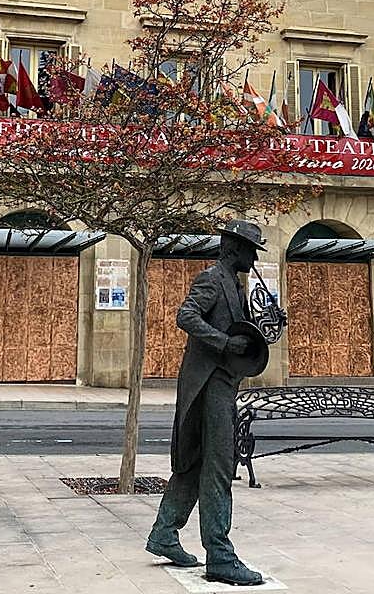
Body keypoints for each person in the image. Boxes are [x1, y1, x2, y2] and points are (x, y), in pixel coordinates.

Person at [146, 219, 267, 587]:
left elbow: (241, 331)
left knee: (196, 462)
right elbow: (186, 316)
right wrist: (222, 342)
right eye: (249, 250)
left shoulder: (236, 283)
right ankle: (220, 555)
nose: (253, 257)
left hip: (224, 382)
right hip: (208, 384)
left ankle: (164, 534)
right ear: (232, 248)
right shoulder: (212, 278)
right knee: (218, 466)